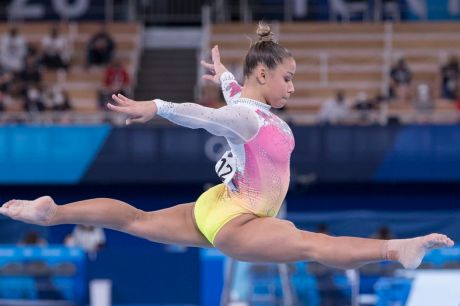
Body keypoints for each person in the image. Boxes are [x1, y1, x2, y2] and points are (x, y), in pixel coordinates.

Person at [0, 23, 453, 271]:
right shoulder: (246, 117)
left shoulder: (250, 107)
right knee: (313, 245)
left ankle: (54, 213)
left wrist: (224, 77)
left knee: (136, 220)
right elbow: (208, 116)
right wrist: (154, 105)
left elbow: (238, 98)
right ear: (264, 75)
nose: (292, 87)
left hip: (219, 206)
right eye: (287, 77)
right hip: (241, 221)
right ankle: (398, 250)